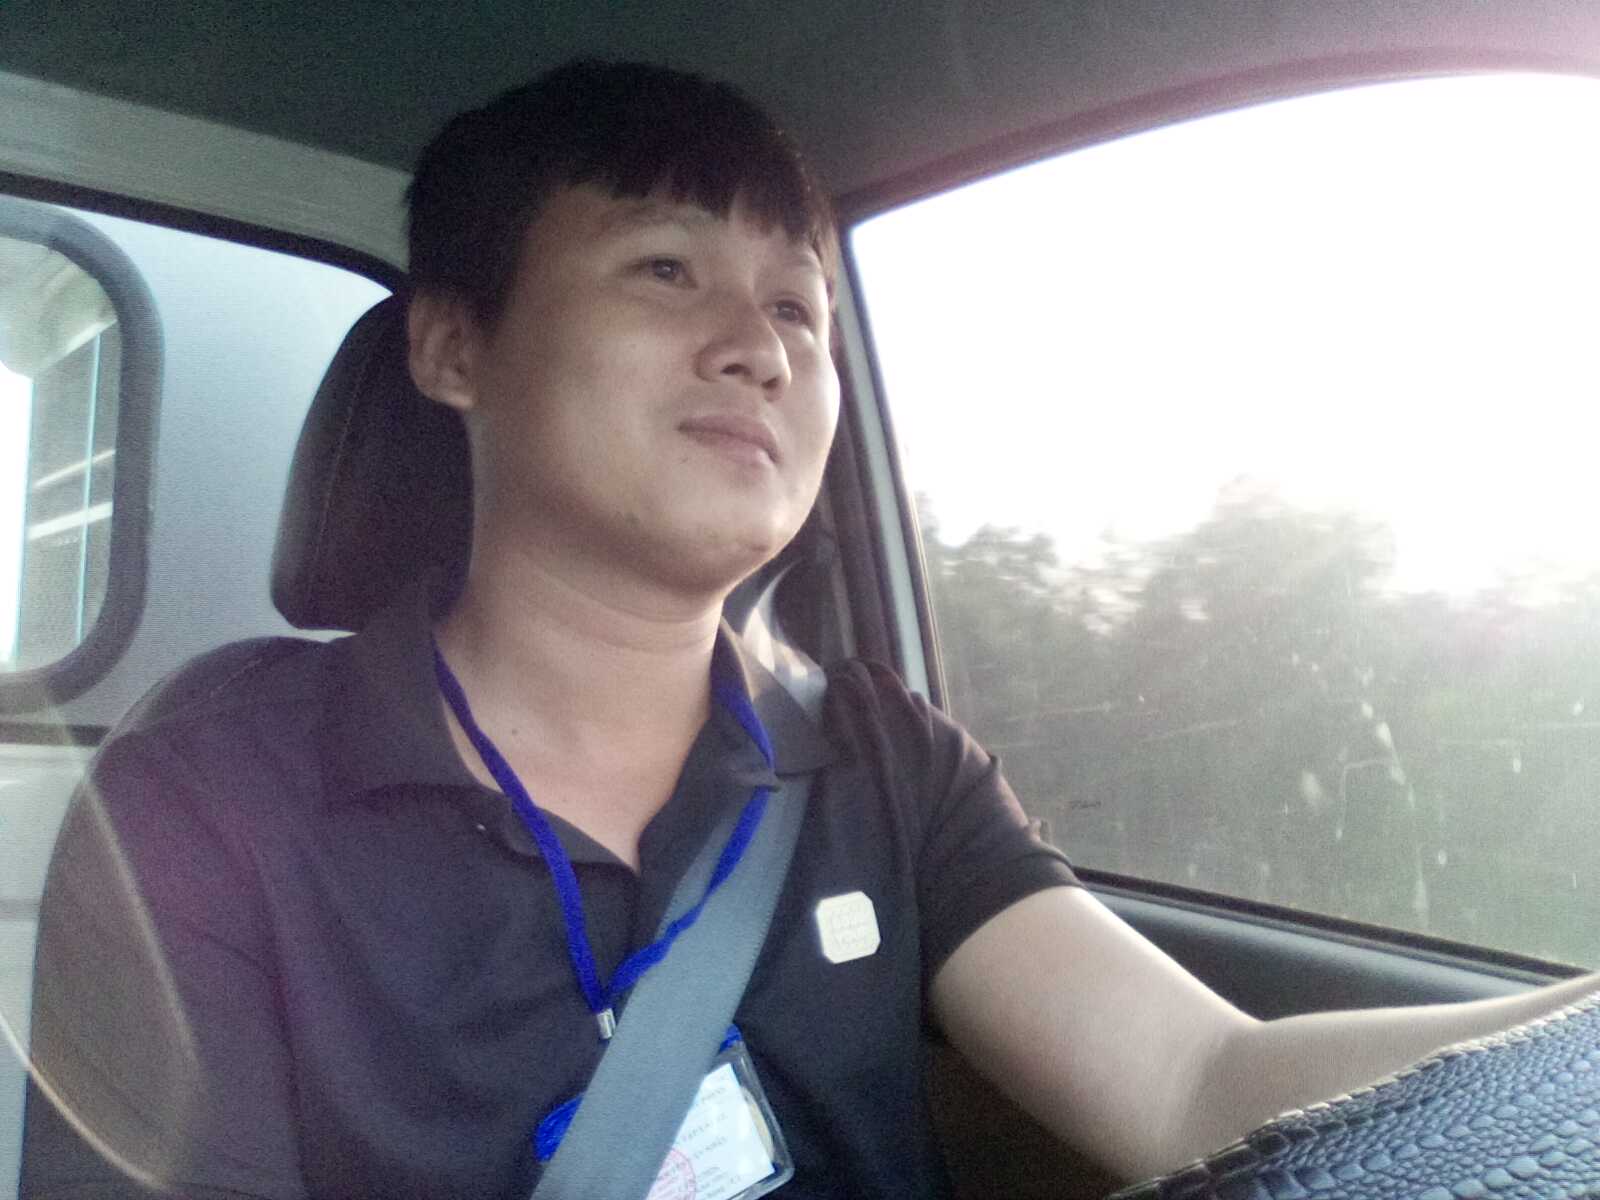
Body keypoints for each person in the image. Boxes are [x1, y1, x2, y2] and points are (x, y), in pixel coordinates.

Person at [19, 59, 1599, 1200]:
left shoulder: (882, 761)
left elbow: (1200, 1081)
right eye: (666, 270)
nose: (759, 349)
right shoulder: (206, 800)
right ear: (453, 349)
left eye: (795, 308)